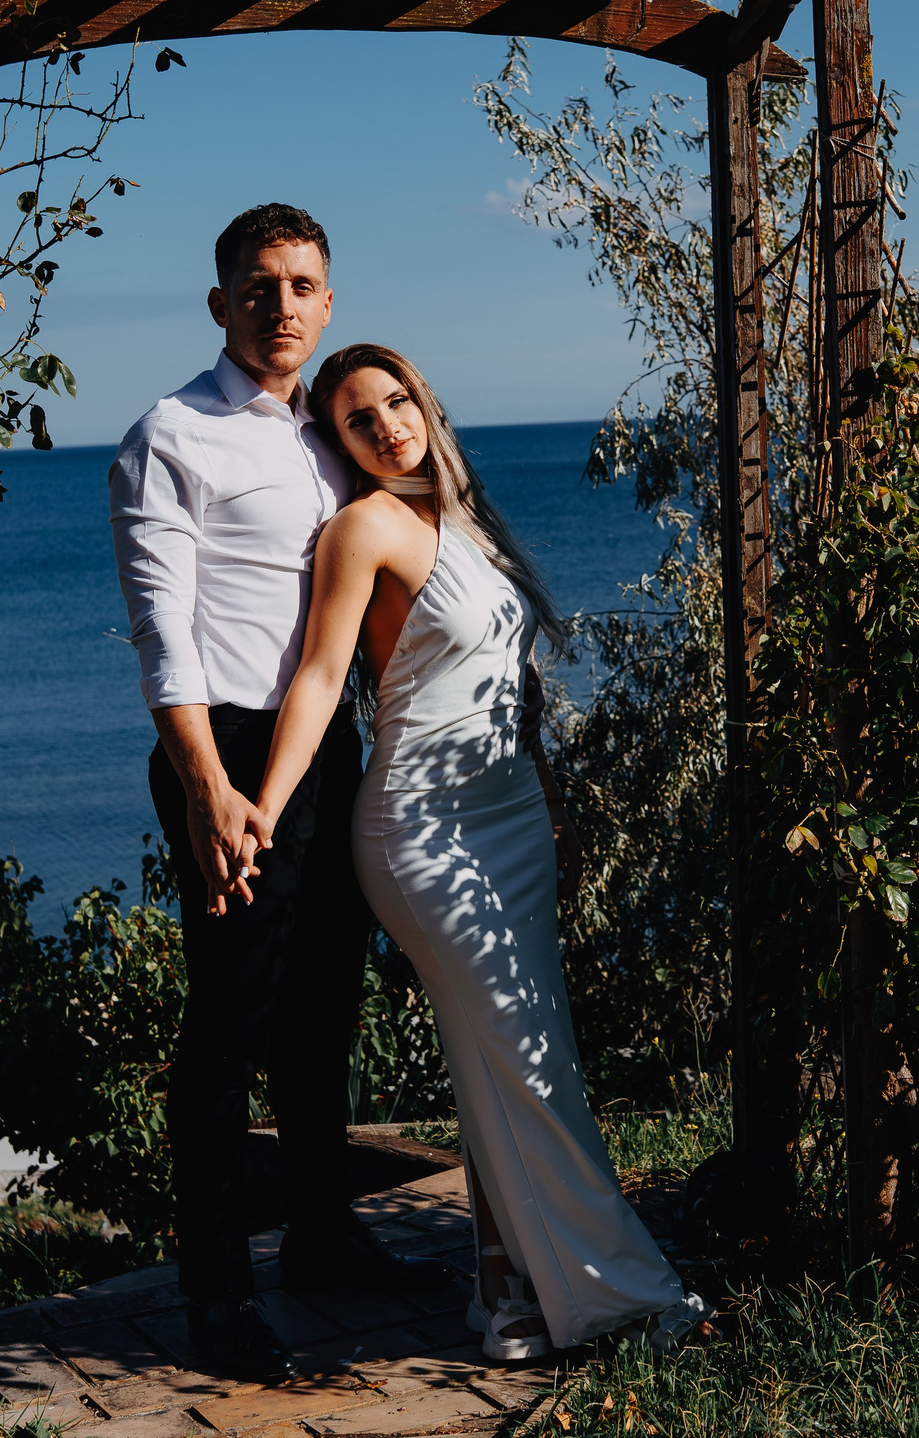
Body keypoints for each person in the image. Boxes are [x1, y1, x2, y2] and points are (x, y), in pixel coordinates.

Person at [246, 342, 710, 1360]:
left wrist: (552, 808)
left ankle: (512, 1295)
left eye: (394, 401)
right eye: (357, 420)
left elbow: (512, 693)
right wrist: (265, 805)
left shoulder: (462, 515)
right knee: (531, 1064)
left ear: (423, 400)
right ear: (339, 444)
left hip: (511, 820)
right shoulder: (363, 528)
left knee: (508, 1059)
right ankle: (619, 1293)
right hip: (421, 827)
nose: (384, 426)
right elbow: (321, 679)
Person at [108, 206, 447, 1386]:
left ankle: (321, 1230)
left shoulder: (333, 433)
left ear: (330, 302)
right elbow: (161, 629)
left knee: (324, 1007)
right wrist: (206, 787)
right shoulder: (173, 433)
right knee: (229, 1020)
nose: (282, 305)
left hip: (325, 746)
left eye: (302, 285)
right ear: (221, 304)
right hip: (226, 751)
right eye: (259, 287)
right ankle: (214, 1288)